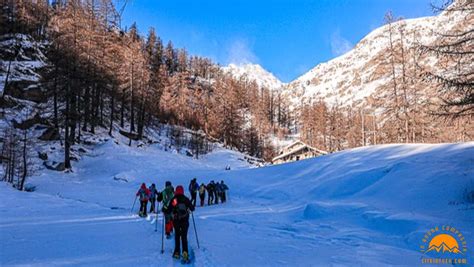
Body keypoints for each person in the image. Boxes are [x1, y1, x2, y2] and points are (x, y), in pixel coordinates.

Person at [168, 185, 195, 262]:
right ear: (182, 191)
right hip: (185, 221)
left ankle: (177, 252)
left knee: (177, 236)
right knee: (184, 237)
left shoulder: (175, 199)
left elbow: (169, 209)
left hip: (176, 221)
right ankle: (185, 252)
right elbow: (192, 208)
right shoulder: (185, 199)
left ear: (176, 191)